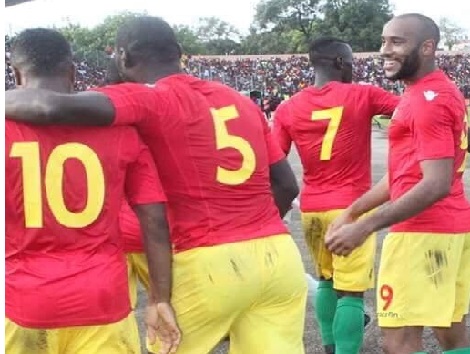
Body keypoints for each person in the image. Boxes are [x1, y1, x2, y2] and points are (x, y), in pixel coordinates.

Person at [5, 17, 307, 354]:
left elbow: (49, 106)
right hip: (280, 258)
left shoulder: (146, 98)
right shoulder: (241, 101)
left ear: (124, 58)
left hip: (205, 258)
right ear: (178, 52)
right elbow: (286, 184)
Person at [5, 28, 180, 354]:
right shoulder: (121, 130)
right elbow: (155, 220)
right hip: (103, 300)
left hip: (26, 302)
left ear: (15, 74)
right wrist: (159, 299)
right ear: (72, 71)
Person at [326, 14, 470, 353]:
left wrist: (365, 227)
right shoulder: (434, 91)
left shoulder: (425, 101)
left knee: (400, 338)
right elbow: (405, 173)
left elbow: (436, 183)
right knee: (451, 330)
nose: (384, 50)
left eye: (396, 42)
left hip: (421, 232)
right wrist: (353, 211)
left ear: (427, 47)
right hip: (451, 227)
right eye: (383, 40)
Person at [272, 37, 399, 354]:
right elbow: (409, 110)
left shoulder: (288, 107)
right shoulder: (363, 94)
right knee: (352, 293)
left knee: (326, 280)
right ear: (341, 63)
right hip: (352, 207)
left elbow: (273, 161)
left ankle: (329, 348)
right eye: (352, 63)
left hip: (313, 208)